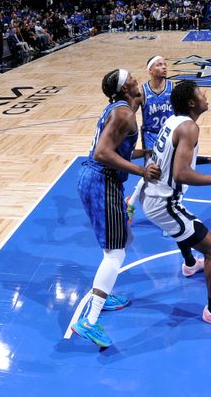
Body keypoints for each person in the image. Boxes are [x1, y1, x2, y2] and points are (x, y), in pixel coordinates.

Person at [139, 80, 211, 327]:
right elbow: (181, 174)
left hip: (153, 195)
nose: (205, 94)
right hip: (162, 202)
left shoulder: (174, 121)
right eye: (200, 92)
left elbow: (174, 158)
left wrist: (209, 159)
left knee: (183, 227)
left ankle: (188, 265)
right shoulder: (189, 128)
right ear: (192, 102)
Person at [71, 69, 161, 348]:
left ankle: (104, 293)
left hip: (96, 179)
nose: (137, 79)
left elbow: (115, 148)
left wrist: (144, 153)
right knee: (116, 252)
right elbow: (102, 153)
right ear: (124, 89)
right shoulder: (124, 113)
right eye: (132, 78)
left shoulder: (118, 109)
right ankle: (89, 319)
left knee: (117, 242)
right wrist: (140, 170)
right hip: (102, 181)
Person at [126, 56, 174, 228]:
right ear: (150, 70)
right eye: (159, 65)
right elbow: (128, 116)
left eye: (165, 64)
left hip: (169, 135)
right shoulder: (142, 92)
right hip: (151, 137)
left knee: (167, 174)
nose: (164, 67)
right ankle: (166, 216)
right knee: (155, 174)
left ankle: (131, 202)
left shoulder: (173, 88)